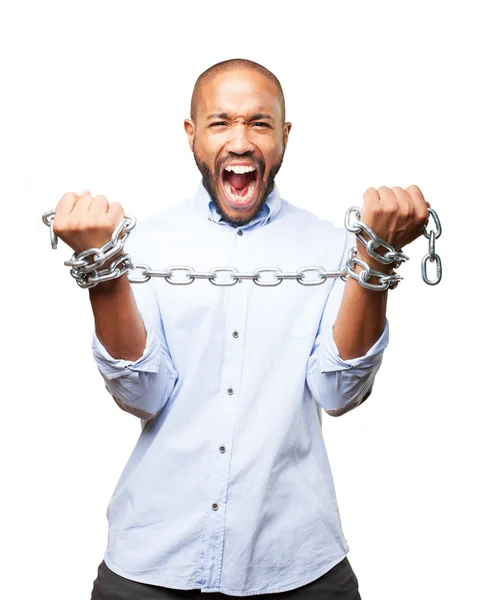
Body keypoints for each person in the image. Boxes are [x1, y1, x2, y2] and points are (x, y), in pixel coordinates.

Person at [52, 58, 430, 599]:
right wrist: (102, 274)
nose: (240, 140)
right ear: (192, 136)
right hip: (155, 559)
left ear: (284, 136)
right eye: (220, 122)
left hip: (296, 561)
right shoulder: (143, 245)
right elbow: (142, 395)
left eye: (258, 123)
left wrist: (375, 261)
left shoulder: (332, 249)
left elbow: (339, 392)